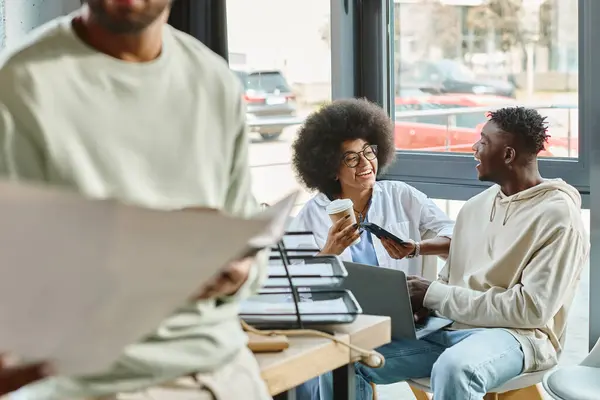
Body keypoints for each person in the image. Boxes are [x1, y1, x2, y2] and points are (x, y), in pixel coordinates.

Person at [0, 1, 270, 399]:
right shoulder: (20, 86)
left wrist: (240, 268)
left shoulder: (214, 80)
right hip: (98, 384)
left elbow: (252, 252)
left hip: (227, 370)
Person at [325, 106, 587, 400]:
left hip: (520, 336)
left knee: (455, 367)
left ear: (508, 155)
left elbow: (531, 311)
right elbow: (451, 281)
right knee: (345, 355)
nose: (474, 148)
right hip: (450, 326)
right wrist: (421, 305)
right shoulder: (475, 207)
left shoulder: (558, 217)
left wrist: (433, 294)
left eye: (483, 142)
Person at [288, 98, 455, 399]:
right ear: (331, 168)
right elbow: (298, 288)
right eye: (350, 158)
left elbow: (457, 238)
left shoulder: (401, 196)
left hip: (405, 326)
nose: (365, 164)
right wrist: (329, 251)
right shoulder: (313, 214)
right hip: (345, 327)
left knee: (336, 364)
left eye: (368, 152)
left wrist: (416, 248)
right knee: (317, 361)